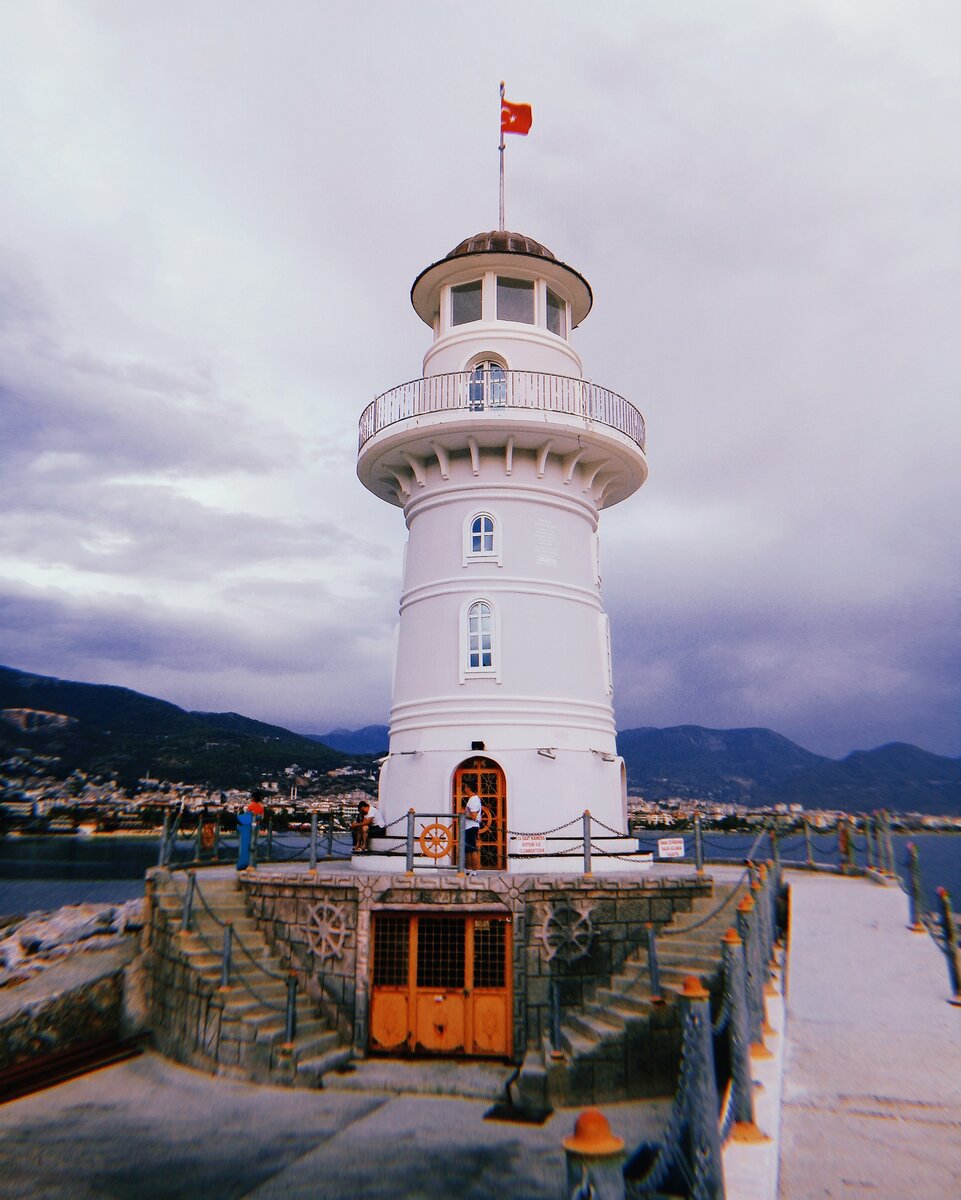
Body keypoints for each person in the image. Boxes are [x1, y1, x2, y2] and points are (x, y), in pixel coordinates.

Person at [464, 792, 482, 874]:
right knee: (467, 849)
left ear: (468, 788)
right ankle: (468, 869)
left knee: (472, 849)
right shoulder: (474, 799)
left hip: (471, 826)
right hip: (469, 827)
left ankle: (474, 870)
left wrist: (462, 815)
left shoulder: (473, 800)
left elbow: (473, 816)